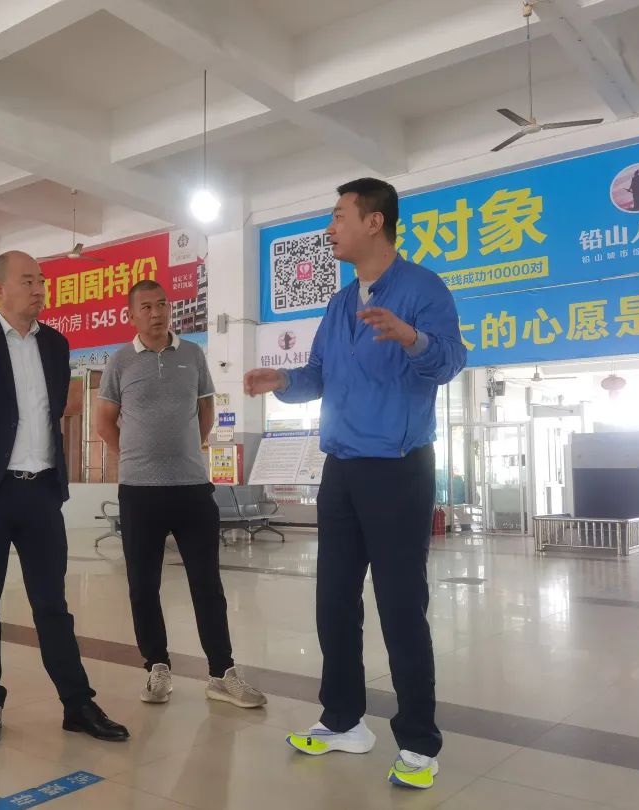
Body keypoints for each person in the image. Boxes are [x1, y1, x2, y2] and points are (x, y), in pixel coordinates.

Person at [244, 179, 466, 790]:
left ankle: (418, 742)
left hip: (398, 467)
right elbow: (318, 374)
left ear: (374, 222)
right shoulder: (341, 303)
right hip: (340, 467)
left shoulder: (423, 289)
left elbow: (451, 361)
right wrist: (280, 382)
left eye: (339, 215)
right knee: (334, 602)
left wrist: (411, 337)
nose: (330, 228)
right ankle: (343, 722)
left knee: (400, 606)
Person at [0, 250, 129, 748]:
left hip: (40, 491)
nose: (39, 288)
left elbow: (53, 409)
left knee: (52, 604)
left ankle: (77, 703)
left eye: (41, 280)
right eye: (28, 280)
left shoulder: (56, 345)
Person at [96, 280, 266, 710]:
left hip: (192, 488)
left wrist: (189, 448)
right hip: (139, 493)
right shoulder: (119, 362)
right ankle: (157, 667)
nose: (157, 313)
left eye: (162, 305)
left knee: (207, 584)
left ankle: (222, 673)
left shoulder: (193, 354)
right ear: (131, 315)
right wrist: (133, 456)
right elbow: (104, 422)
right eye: (146, 307)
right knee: (143, 586)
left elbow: (206, 410)